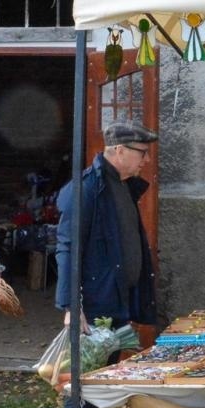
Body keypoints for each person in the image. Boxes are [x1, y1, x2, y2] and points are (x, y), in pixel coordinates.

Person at [55, 121, 158, 333]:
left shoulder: (125, 185)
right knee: (94, 367)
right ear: (120, 151)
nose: (147, 160)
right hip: (96, 304)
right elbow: (68, 248)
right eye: (142, 153)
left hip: (119, 300)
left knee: (114, 365)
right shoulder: (86, 188)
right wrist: (71, 306)